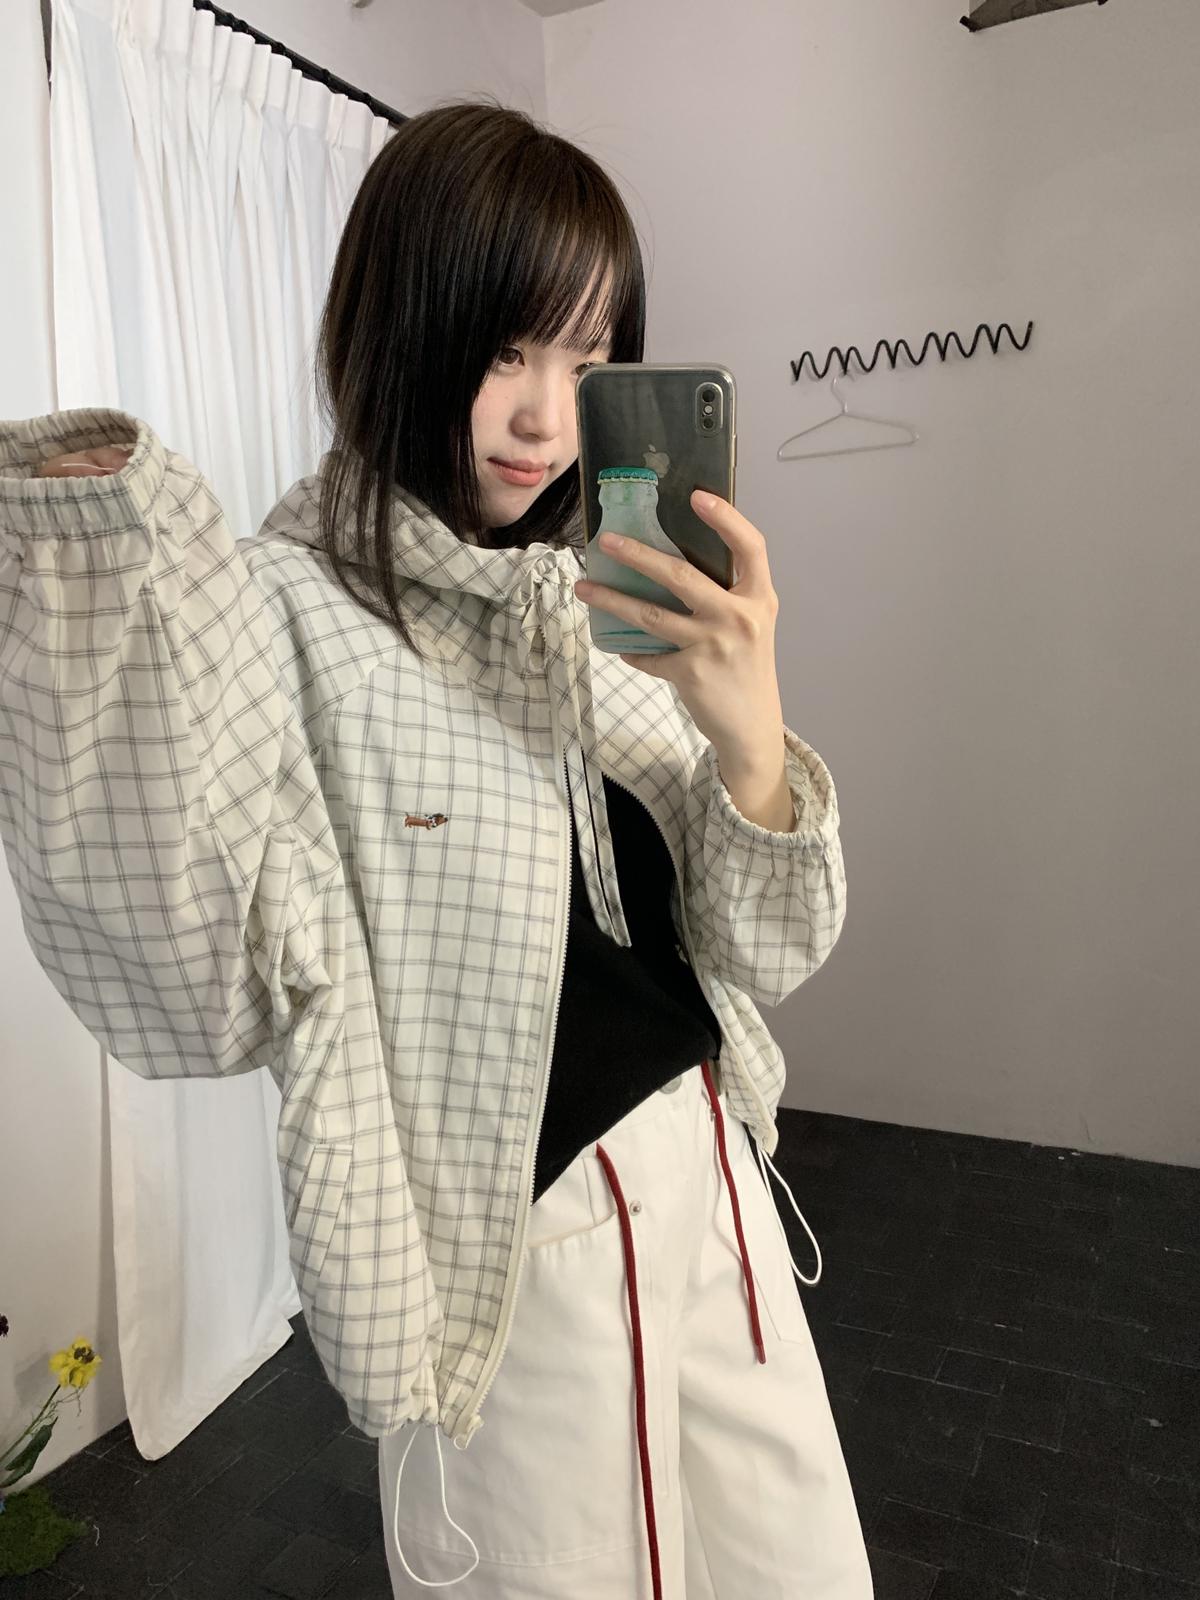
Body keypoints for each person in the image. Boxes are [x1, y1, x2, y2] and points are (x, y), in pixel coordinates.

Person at [0, 102, 872, 1599]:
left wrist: (748, 735)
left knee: (794, 1572)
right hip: (515, 1258)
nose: (544, 418)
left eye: (587, 358)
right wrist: (91, 564)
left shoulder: (602, 598)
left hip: (717, 1177)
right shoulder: (286, 612)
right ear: (396, 334)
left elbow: (764, 952)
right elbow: (193, 985)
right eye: (501, 350)